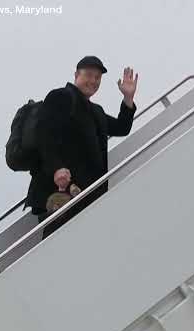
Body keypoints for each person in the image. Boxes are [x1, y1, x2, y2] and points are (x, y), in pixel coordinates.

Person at [25, 56, 139, 238]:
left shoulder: (96, 111)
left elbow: (121, 127)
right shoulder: (60, 96)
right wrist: (57, 168)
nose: (93, 81)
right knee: (57, 244)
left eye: (98, 78)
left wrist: (128, 98)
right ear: (76, 74)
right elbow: (44, 134)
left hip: (87, 194)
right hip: (60, 190)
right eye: (89, 75)